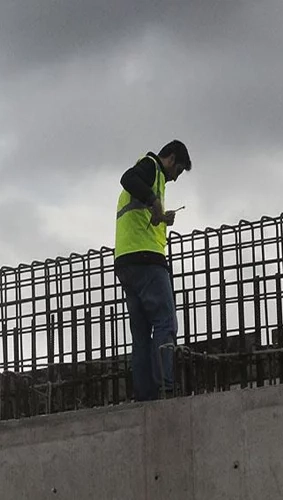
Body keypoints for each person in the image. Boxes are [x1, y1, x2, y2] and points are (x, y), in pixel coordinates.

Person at [113, 140, 192, 401]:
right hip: (146, 260)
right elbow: (127, 178)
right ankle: (165, 388)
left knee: (141, 333)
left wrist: (161, 215)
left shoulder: (150, 176)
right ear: (170, 158)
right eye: (177, 171)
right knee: (165, 322)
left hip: (126, 262)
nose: (175, 178)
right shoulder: (150, 167)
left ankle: (144, 395)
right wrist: (154, 200)